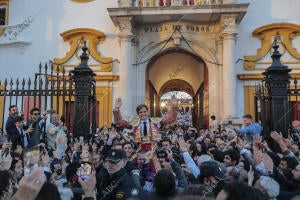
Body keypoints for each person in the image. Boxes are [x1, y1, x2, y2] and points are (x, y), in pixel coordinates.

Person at [113, 95, 178, 152]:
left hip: (154, 151)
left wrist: (174, 106)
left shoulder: (156, 122)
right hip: (140, 151)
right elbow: (120, 122)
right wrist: (116, 109)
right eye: (140, 112)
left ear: (147, 112)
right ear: (138, 114)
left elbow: (170, 119)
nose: (143, 114)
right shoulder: (135, 124)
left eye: (144, 111)